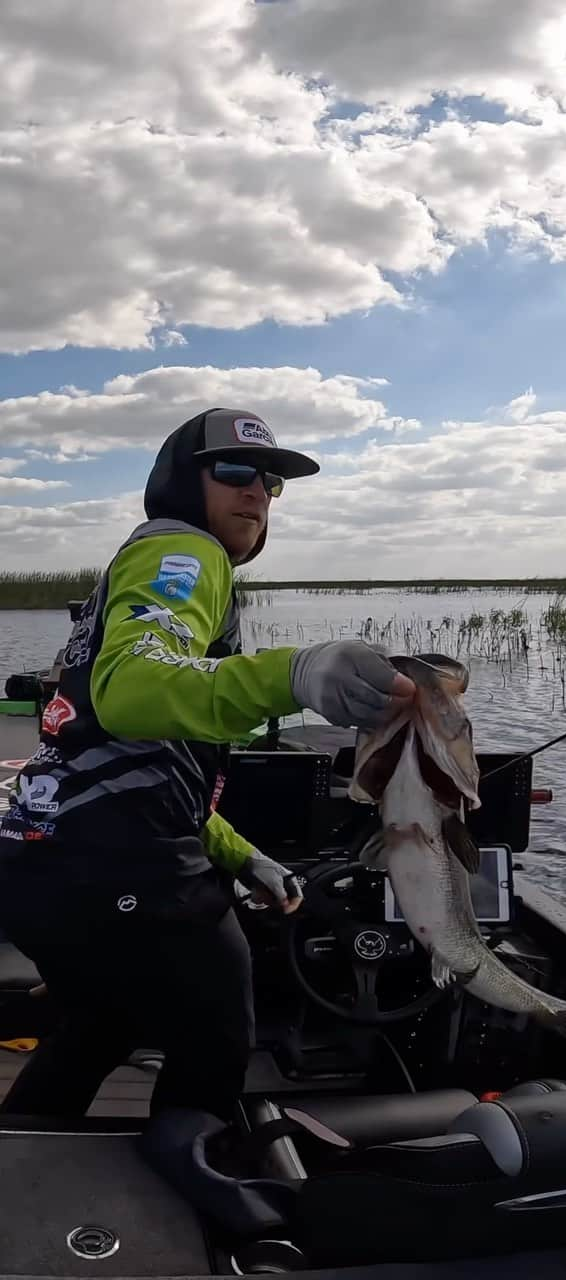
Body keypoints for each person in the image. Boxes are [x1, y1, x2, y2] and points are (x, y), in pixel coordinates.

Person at [0, 407, 414, 1122]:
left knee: (99, 1025)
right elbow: (131, 690)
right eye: (232, 471)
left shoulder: (159, 556)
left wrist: (240, 852)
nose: (255, 490)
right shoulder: (184, 553)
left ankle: (25, 1171)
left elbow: (141, 764)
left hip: (43, 865)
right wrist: (293, 675)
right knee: (218, 1043)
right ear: (179, 482)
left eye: (269, 481)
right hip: (123, 873)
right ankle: (204, 1191)